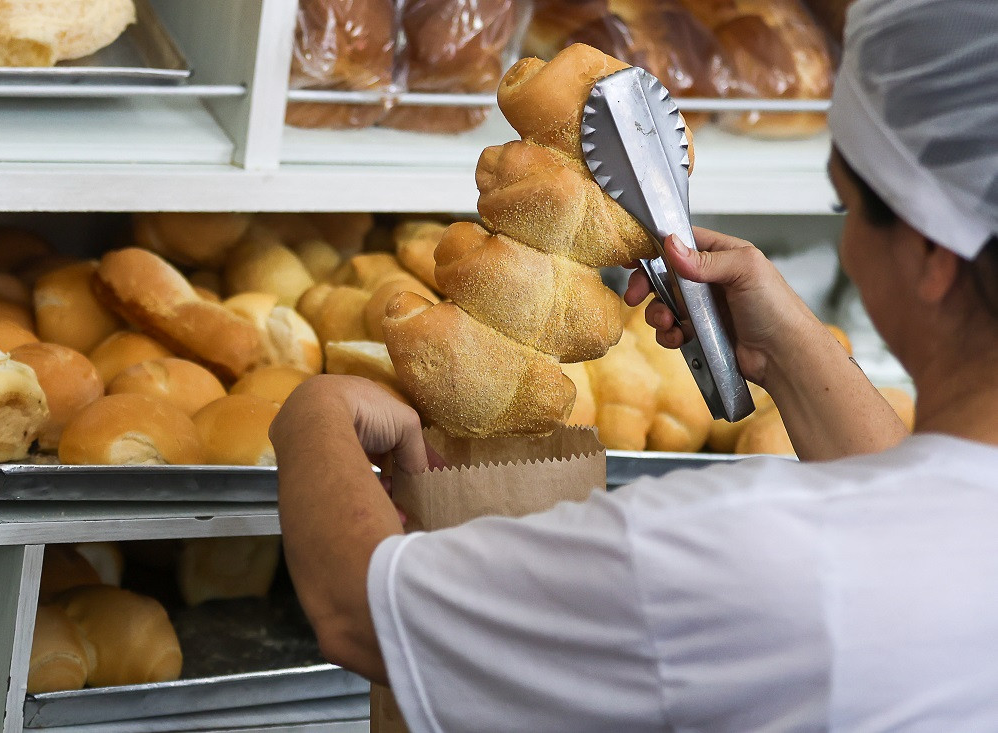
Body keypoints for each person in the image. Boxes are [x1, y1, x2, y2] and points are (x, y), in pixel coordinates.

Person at [271, 0, 998, 729]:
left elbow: (359, 612)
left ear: (935, 254)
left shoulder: (728, 557)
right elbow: (905, 509)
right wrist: (782, 349)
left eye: (845, 210)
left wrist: (314, 417)